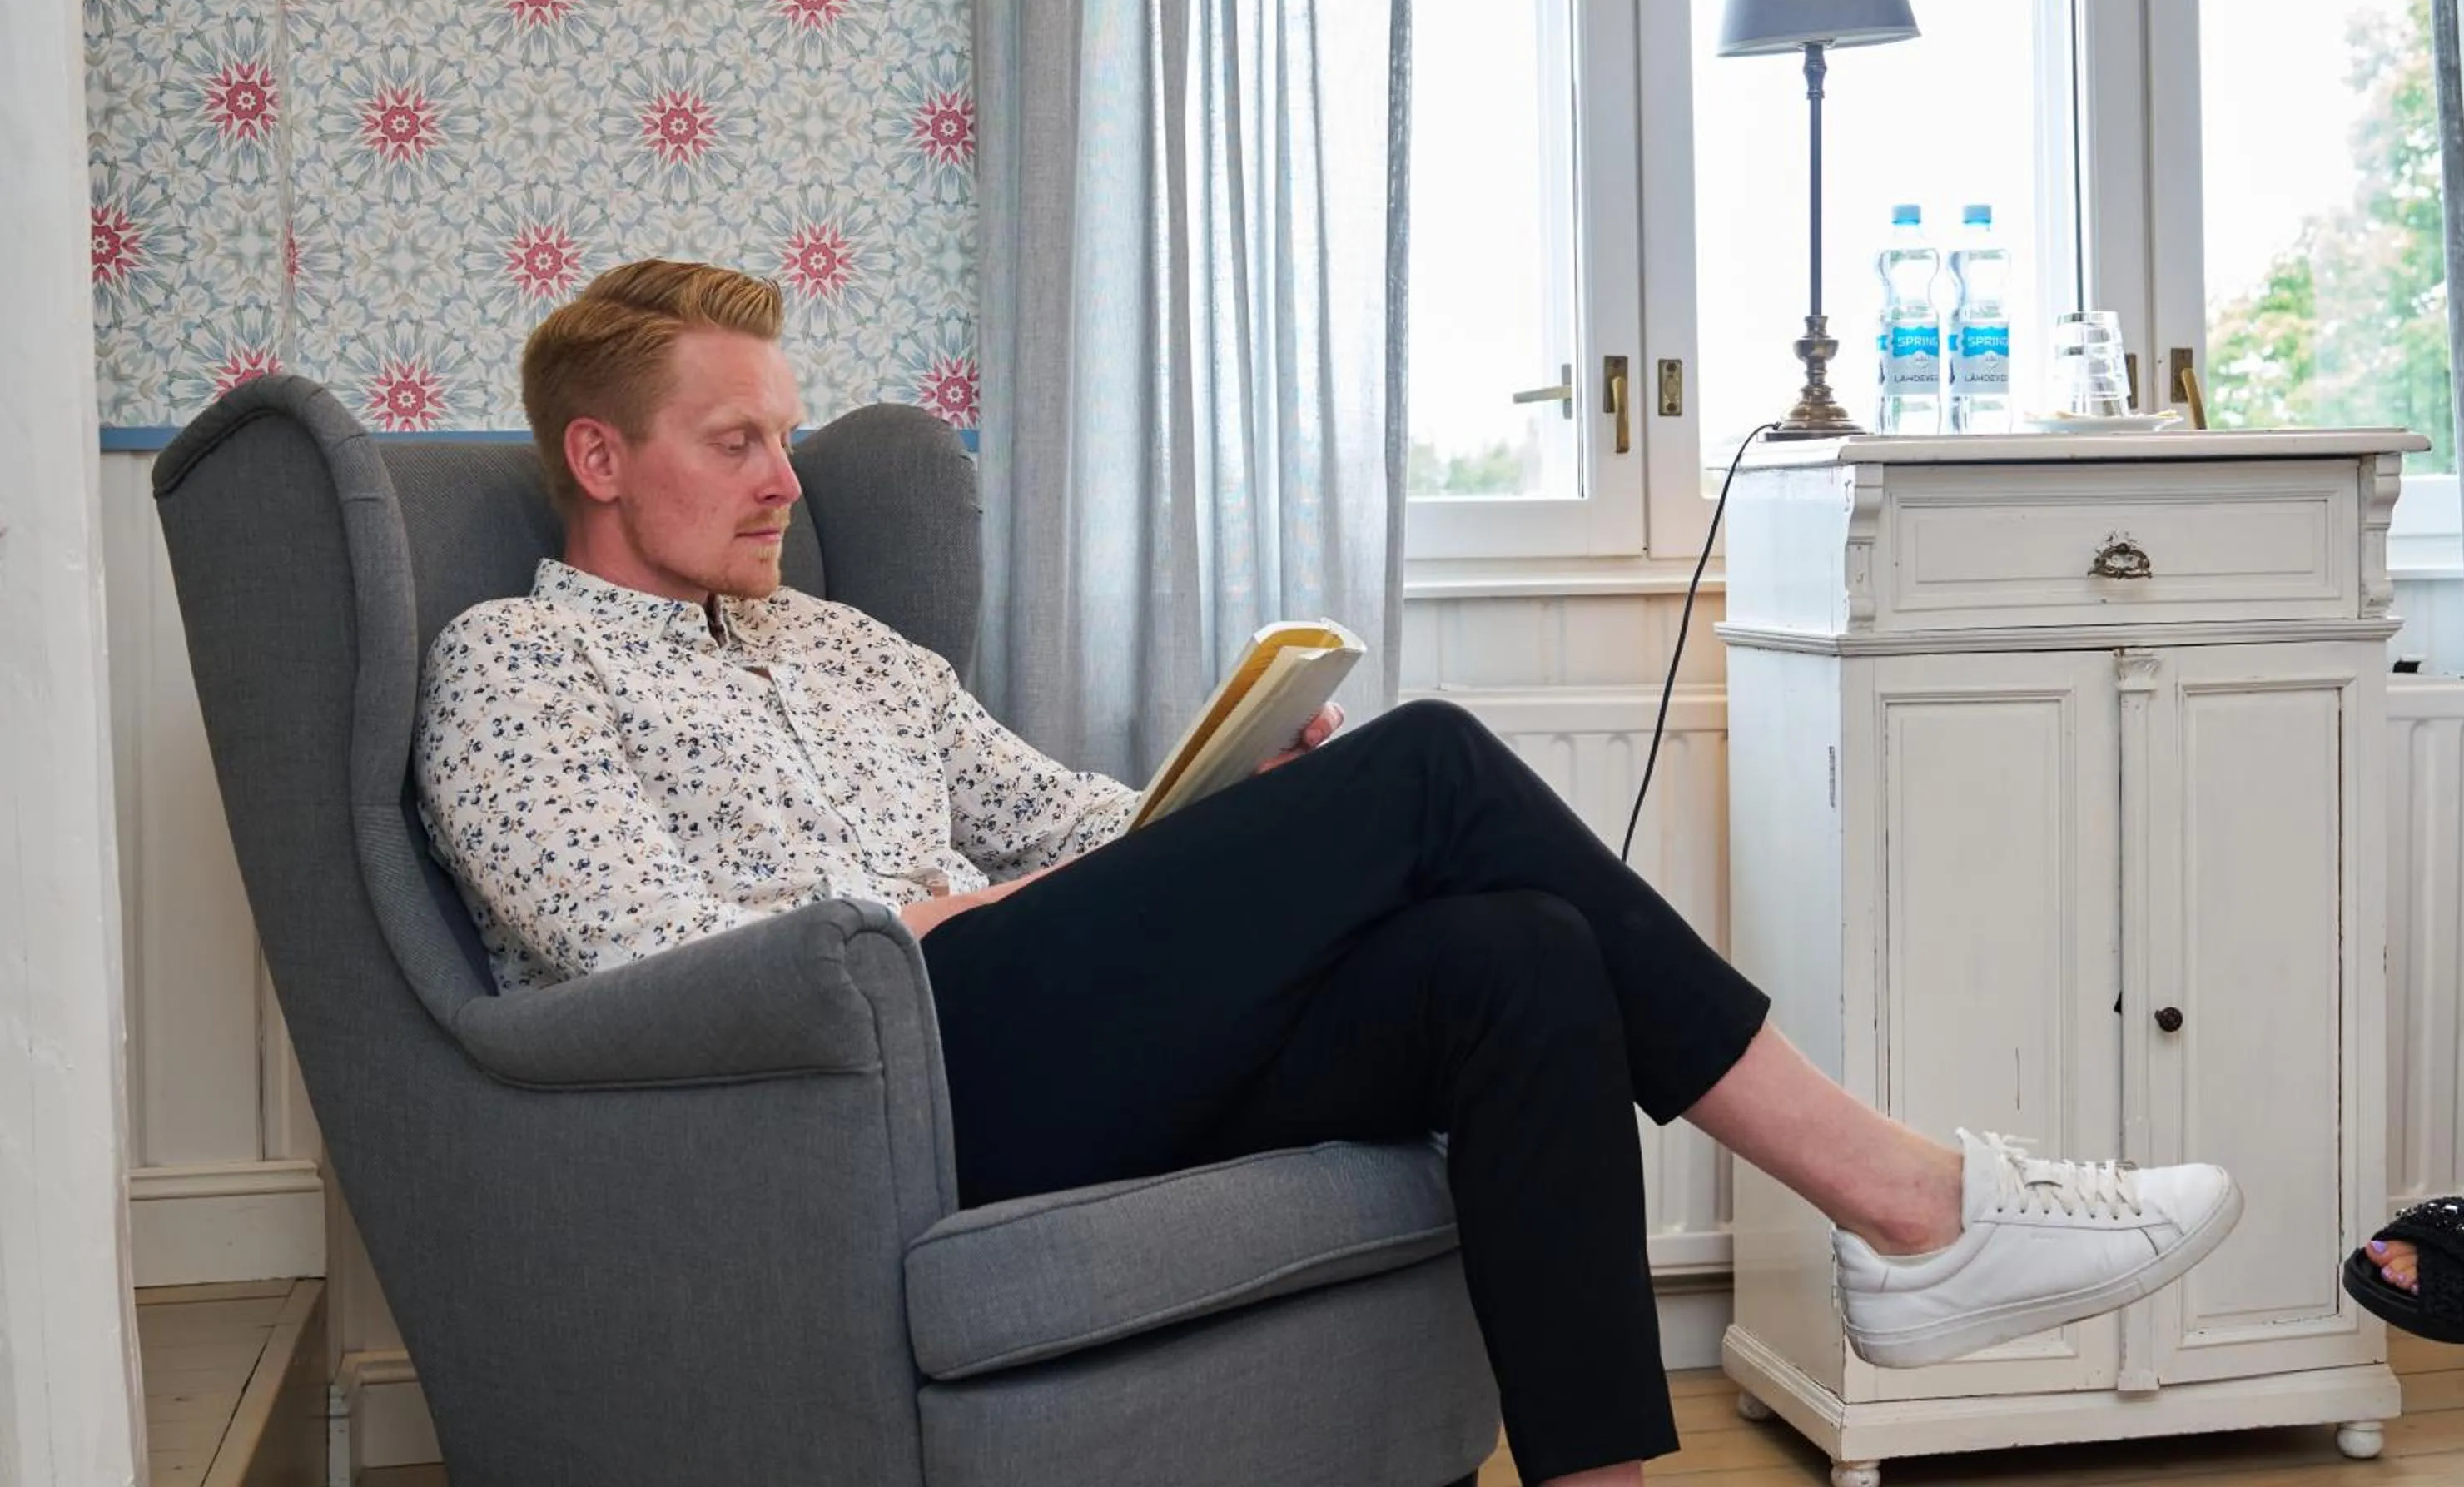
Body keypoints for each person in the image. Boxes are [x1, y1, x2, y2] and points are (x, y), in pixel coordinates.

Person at [415, 260, 2246, 1487]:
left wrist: (1238, 811)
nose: (784, 484)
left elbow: (1074, 826)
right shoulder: (514, 664)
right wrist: (932, 922)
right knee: (1436, 764)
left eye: (785, 439)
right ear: (599, 453)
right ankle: (1908, 1202)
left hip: (1039, 1025)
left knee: (1515, 954)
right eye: (735, 442)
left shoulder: (842, 647)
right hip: (869, 1081)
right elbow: (644, 959)